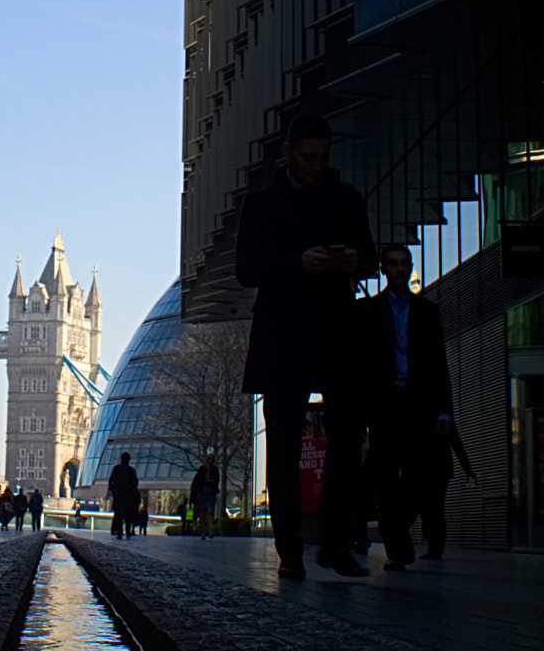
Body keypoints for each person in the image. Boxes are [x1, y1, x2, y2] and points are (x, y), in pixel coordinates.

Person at [236, 110, 377, 581]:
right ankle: (290, 548)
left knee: (347, 436)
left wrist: (354, 259)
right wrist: (300, 263)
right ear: (288, 153)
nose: (317, 165)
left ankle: (334, 540)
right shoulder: (260, 204)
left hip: (336, 330)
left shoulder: (347, 199)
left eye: (323, 156)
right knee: (284, 443)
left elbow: (372, 257)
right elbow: (246, 269)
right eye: (309, 156)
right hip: (284, 333)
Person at [366, 244, 455, 567]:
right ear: (384, 269)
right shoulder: (371, 313)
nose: (399, 269)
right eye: (393, 263)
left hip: (419, 405)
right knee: (387, 478)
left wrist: (445, 408)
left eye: (404, 263)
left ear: (411, 266)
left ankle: (396, 532)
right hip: (386, 405)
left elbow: (438, 362)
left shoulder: (428, 312)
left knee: (418, 477)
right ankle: (397, 548)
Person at [107, 452, 139, 538]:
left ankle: (120, 533)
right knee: (128, 515)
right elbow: (135, 482)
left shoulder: (116, 469)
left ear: (121, 459)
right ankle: (128, 532)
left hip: (118, 496)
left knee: (118, 515)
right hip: (128, 497)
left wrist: (113, 489)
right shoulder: (131, 470)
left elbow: (110, 481)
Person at [189, 455, 220, 538]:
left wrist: (211, 482)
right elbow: (199, 480)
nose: (209, 461)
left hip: (210, 492)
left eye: (211, 460)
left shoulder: (215, 470)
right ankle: (203, 531)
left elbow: (217, 480)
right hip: (203, 492)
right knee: (203, 512)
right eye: (208, 460)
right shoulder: (202, 469)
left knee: (210, 511)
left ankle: (210, 531)